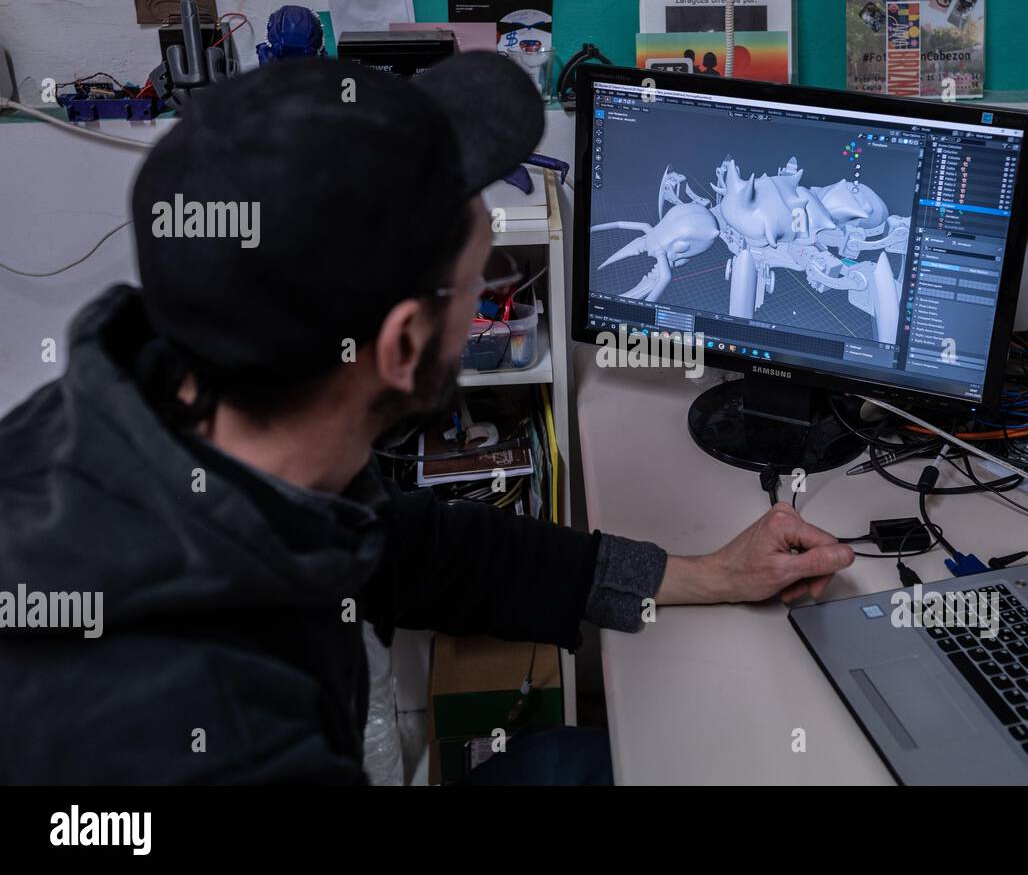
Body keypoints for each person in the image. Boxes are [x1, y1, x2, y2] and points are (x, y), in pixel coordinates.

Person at [0, 54, 853, 784]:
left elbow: (414, 550)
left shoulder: (173, 402)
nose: (490, 300)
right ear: (404, 343)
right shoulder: (192, 728)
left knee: (586, 759)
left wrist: (708, 574)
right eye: (481, 283)